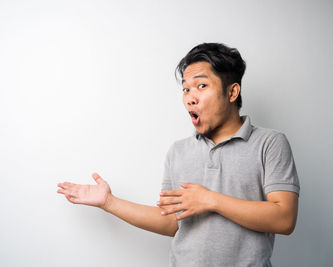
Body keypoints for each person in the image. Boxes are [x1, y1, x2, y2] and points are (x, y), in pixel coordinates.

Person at [57, 42, 300, 267]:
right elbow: (172, 221)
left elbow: (284, 219)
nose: (190, 98)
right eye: (185, 89)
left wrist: (211, 200)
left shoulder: (270, 143)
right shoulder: (178, 151)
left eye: (201, 86)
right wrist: (109, 203)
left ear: (232, 92)